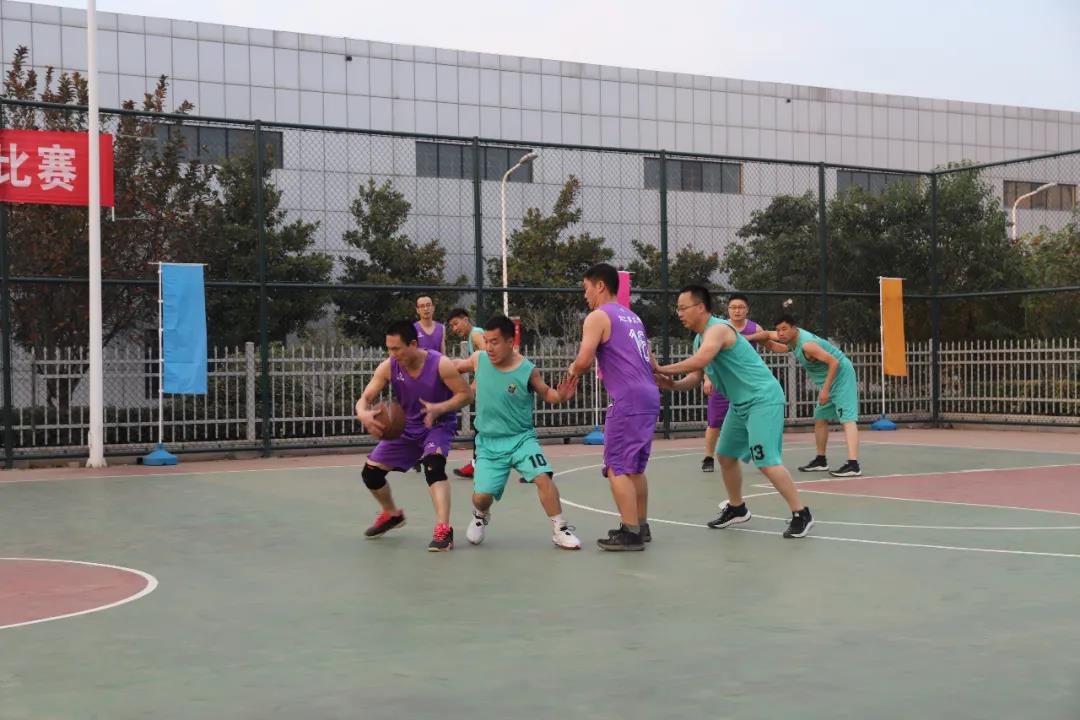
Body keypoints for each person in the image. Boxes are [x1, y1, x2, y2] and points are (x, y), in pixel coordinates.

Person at [653, 285, 815, 539]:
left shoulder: (718, 329)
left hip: (762, 399)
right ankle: (737, 508)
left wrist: (661, 367)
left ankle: (801, 513)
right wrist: (672, 384)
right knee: (726, 455)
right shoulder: (700, 338)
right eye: (678, 309)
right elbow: (696, 375)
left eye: (683, 308)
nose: (679, 313)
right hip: (740, 404)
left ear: (701, 307)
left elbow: (699, 360)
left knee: (766, 460)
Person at [455, 315, 582, 549]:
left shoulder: (527, 369)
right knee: (481, 497)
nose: (488, 347)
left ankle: (560, 528)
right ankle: (480, 515)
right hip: (489, 442)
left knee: (543, 477)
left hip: (521, 439)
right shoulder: (478, 359)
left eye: (494, 342)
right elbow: (453, 367)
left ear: (510, 342)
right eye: (486, 341)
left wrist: (561, 396)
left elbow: (548, 393)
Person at [354, 320, 472, 551]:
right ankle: (392, 514)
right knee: (371, 474)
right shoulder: (389, 366)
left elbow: (466, 395)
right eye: (389, 348)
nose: (392, 354)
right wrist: (363, 413)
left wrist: (439, 408)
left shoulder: (440, 364)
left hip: (437, 424)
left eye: (397, 348)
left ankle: (444, 529)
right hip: (407, 427)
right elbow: (365, 398)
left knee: (433, 466)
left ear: (413, 344)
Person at [566, 263, 661, 551]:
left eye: (586, 288)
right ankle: (640, 525)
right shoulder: (633, 317)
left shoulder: (598, 316)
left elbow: (584, 361)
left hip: (627, 398)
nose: (585, 295)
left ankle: (630, 532)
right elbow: (650, 360)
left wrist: (572, 369)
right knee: (635, 467)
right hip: (648, 395)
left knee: (616, 466)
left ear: (600, 286)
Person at [762, 315, 862, 478]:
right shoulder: (791, 339)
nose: (780, 333)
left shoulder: (807, 345)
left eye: (784, 329)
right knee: (820, 418)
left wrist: (825, 390)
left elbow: (834, 362)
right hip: (829, 380)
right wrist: (749, 337)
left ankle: (853, 465)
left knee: (847, 419)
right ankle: (821, 460)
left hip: (841, 376)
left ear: (794, 328)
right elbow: (769, 338)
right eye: (778, 330)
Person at [701, 293, 769, 473]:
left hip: (747, 386)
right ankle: (708, 457)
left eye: (740, 307)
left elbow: (769, 339)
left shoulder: (755, 328)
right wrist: (707, 378)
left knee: (754, 422)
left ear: (747, 310)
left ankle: (760, 455)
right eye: (733, 307)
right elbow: (708, 356)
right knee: (714, 422)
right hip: (722, 383)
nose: (737, 311)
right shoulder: (719, 329)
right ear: (728, 310)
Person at [447, 307, 487, 480]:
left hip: (497, 388)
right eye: (451, 326)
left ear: (466, 319)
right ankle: (476, 465)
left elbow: (488, 358)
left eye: (456, 323)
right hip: (492, 388)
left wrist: (474, 386)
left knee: (482, 427)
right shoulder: (472, 337)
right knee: (483, 428)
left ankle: (476, 466)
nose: (454, 328)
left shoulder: (476, 334)